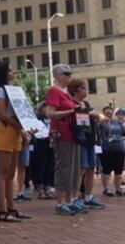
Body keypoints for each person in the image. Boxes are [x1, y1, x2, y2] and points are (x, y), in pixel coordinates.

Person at [0, 62, 31, 222]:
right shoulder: (0, 90)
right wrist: (21, 125)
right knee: (2, 172)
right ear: (3, 73)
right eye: (10, 70)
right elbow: (1, 113)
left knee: (11, 173)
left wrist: (24, 126)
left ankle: (11, 208)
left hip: (15, 131)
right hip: (5, 129)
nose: (14, 72)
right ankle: (2, 210)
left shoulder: (11, 90)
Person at [44, 65, 84, 216]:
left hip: (73, 133)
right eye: (66, 74)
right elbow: (50, 113)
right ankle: (60, 203)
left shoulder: (66, 93)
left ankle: (69, 201)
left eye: (70, 73)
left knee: (73, 169)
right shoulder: (54, 91)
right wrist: (72, 110)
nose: (69, 76)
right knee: (64, 168)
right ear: (58, 76)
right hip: (62, 133)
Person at [69, 81, 105, 210]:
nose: (86, 90)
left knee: (91, 167)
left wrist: (90, 114)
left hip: (90, 139)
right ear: (75, 90)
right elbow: (81, 115)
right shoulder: (72, 103)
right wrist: (91, 114)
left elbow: (99, 116)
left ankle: (88, 196)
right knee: (81, 169)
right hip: (79, 139)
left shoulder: (87, 104)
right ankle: (74, 198)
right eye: (83, 88)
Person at [99, 106, 125, 197]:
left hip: (119, 147)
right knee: (107, 169)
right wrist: (101, 121)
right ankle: (106, 189)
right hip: (107, 148)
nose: (109, 115)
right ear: (104, 114)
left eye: (110, 113)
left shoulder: (118, 122)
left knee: (118, 170)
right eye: (107, 113)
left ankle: (118, 188)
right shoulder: (102, 123)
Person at [30, 102, 55, 200]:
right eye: (46, 108)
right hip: (40, 143)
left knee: (50, 165)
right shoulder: (36, 118)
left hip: (50, 143)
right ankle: (40, 187)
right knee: (41, 165)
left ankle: (47, 186)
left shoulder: (52, 119)